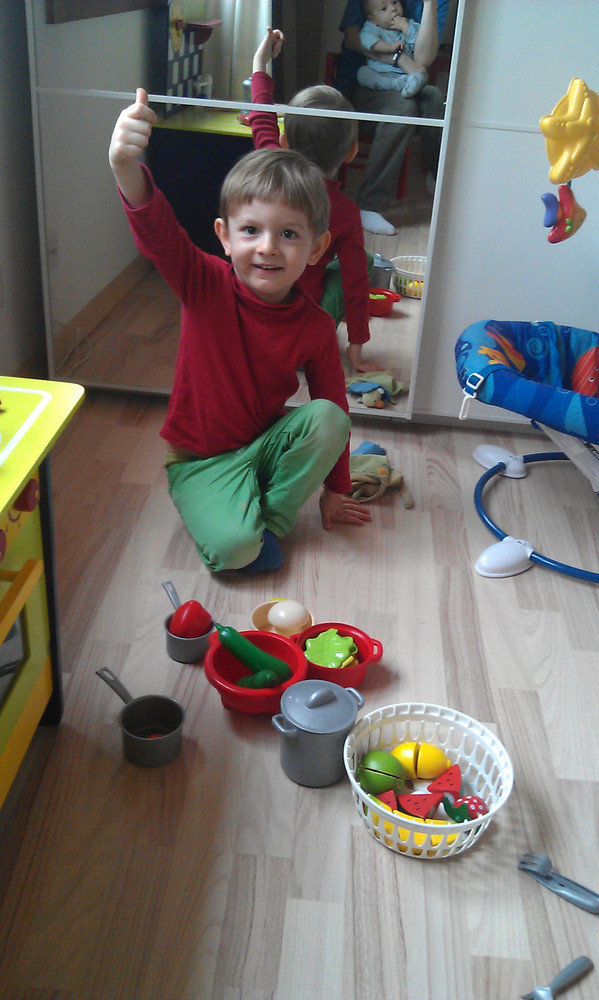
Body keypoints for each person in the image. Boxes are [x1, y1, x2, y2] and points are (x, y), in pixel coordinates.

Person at [108, 89, 371, 575]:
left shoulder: (314, 324)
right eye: (251, 231)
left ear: (316, 249)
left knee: (330, 419)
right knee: (234, 550)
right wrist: (126, 166)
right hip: (200, 461)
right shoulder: (204, 282)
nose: (268, 247)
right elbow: (159, 234)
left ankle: (268, 519)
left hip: (262, 446)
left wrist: (336, 489)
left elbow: (333, 406)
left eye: (288, 234)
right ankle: (239, 518)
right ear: (225, 237)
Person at [250, 28, 379, 374]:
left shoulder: (270, 169)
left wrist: (260, 62)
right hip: (301, 328)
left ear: (284, 142)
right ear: (351, 152)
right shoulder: (346, 213)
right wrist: (356, 348)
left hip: (254, 319)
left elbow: (261, 116)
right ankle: (309, 341)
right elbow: (355, 283)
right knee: (362, 262)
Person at [335, 0, 449, 235]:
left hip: (404, 81)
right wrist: (399, 58)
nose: (394, 8)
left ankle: (437, 176)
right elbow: (353, 39)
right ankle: (370, 205)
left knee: (435, 98)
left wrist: (430, 4)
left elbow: (423, 59)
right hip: (364, 82)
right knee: (404, 107)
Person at [358, 0, 428, 97]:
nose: (393, 9)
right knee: (363, 72)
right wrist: (389, 48)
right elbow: (366, 40)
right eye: (384, 8)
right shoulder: (372, 28)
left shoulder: (409, 24)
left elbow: (421, 43)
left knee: (420, 75)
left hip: (405, 73)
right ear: (372, 19)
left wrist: (406, 28)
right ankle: (393, 84)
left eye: (395, 2)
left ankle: (409, 85)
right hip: (380, 72)